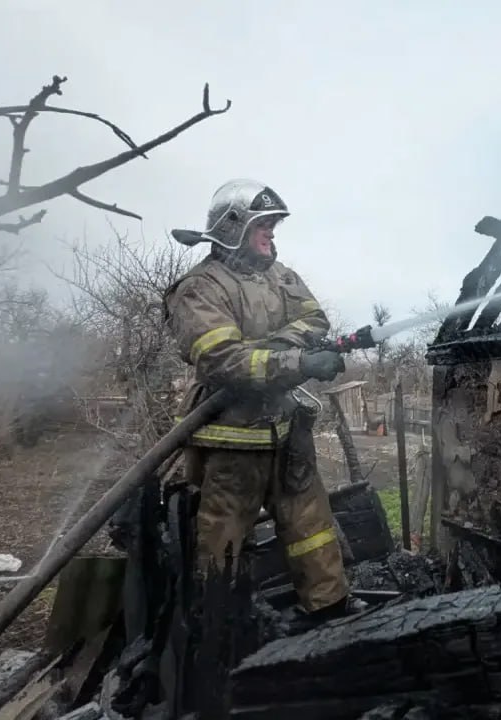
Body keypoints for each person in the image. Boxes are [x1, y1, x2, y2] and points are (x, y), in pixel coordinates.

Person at [163, 178, 360, 623]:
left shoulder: (281, 276)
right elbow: (222, 360)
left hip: (288, 429)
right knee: (225, 538)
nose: (271, 232)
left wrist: (279, 349)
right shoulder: (199, 288)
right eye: (263, 224)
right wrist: (297, 361)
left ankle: (330, 611)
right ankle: (222, 626)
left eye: (273, 224)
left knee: (311, 523)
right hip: (232, 439)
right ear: (233, 227)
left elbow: (315, 320)